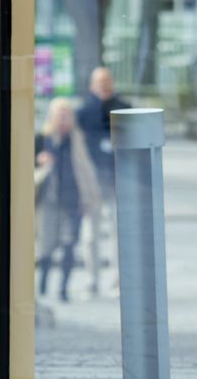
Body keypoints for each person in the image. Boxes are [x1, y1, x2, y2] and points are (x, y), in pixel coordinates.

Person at [35, 98, 100, 302]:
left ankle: (63, 289)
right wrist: (40, 162)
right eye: (59, 115)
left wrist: (89, 199)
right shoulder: (42, 139)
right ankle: (42, 287)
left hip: (73, 201)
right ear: (51, 117)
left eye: (66, 115)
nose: (63, 119)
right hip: (48, 201)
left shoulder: (78, 140)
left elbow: (87, 171)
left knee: (69, 244)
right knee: (46, 245)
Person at [77, 67, 130, 295]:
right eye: (100, 81)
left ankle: (119, 279)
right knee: (91, 234)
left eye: (107, 80)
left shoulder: (125, 109)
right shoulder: (82, 112)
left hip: (119, 179)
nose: (104, 85)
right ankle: (92, 280)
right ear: (92, 86)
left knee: (120, 232)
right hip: (93, 180)